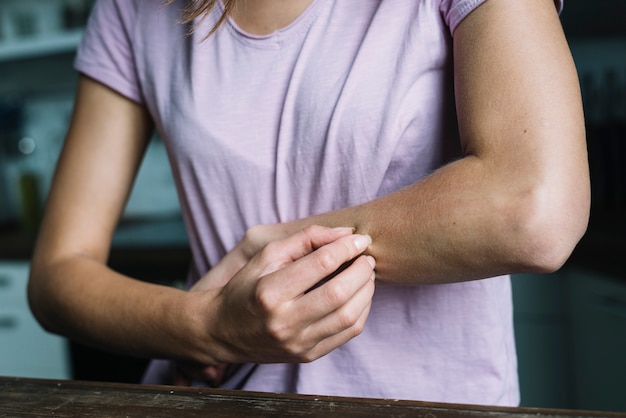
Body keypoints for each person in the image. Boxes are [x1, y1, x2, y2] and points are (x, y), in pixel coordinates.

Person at [27, 0, 590, 407]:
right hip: (214, 398)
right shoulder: (131, 11)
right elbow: (56, 277)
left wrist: (271, 249)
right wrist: (204, 327)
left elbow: (534, 206)